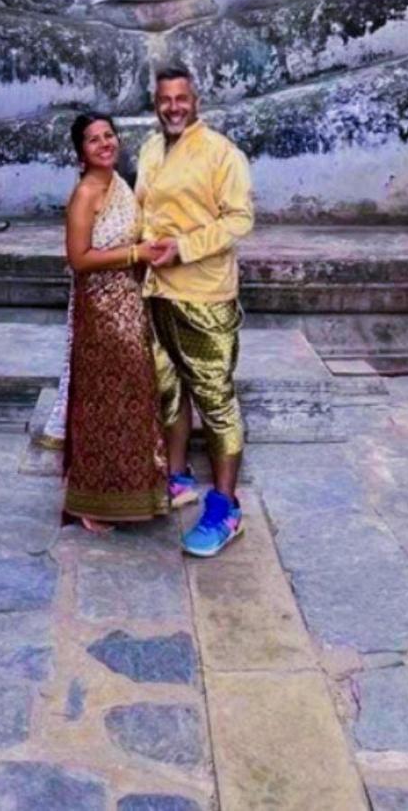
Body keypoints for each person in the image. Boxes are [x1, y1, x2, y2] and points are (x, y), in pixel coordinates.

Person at [137, 66, 253, 557]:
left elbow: (240, 219)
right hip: (156, 290)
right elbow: (144, 211)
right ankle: (178, 476)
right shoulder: (149, 149)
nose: (173, 107)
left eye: (181, 98)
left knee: (215, 398)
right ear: (156, 104)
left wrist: (183, 248)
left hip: (204, 294)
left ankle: (226, 508)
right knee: (168, 388)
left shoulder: (221, 153)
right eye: (165, 99)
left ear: (196, 101)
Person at [61, 112, 170, 532]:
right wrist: (135, 255)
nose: (105, 143)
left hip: (131, 302)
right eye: (94, 140)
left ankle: (133, 493)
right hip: (102, 311)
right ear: (81, 152)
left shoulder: (120, 184)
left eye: (109, 135)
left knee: (133, 398)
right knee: (103, 403)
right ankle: (92, 502)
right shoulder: (86, 194)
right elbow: (79, 258)